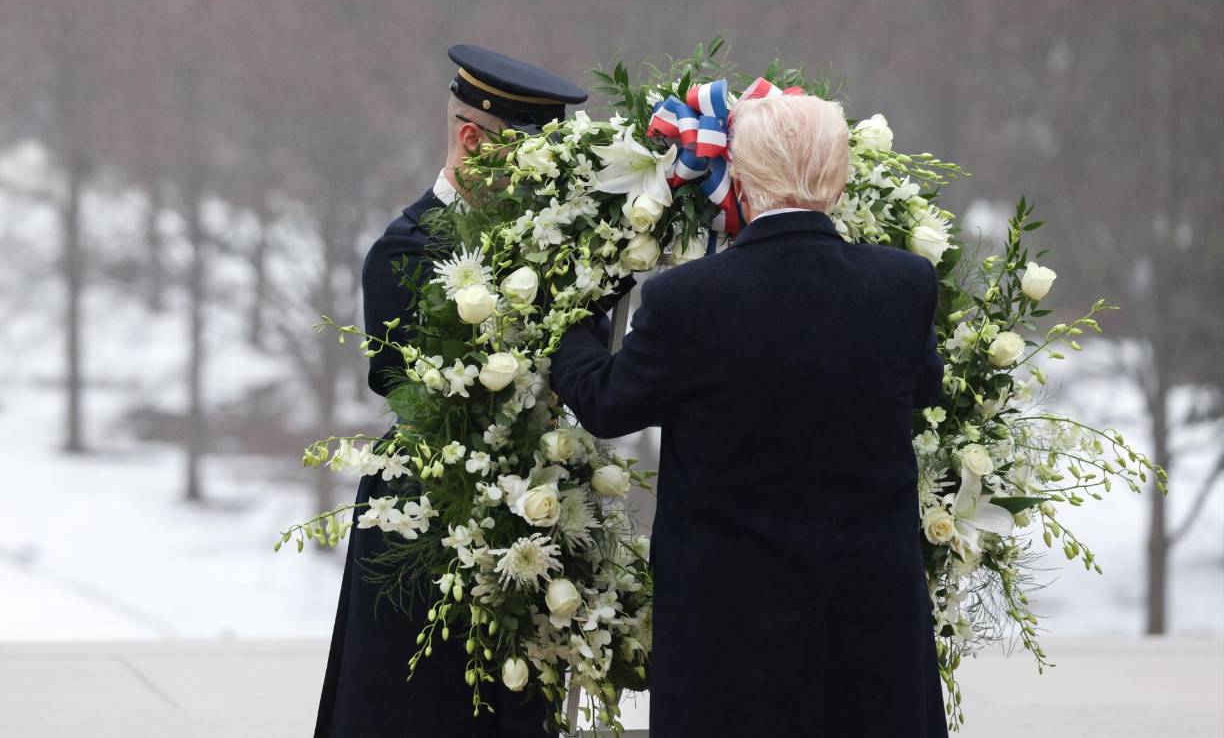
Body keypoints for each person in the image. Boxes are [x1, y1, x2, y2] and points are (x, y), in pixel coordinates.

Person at [549, 95, 948, 737]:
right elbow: (925, 389)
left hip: (728, 633)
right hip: (870, 621)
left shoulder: (688, 300)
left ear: (738, 176)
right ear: (840, 177)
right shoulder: (903, 285)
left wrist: (571, 322)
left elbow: (606, 401)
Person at [315, 44, 587, 738]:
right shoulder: (404, 251)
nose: (542, 181)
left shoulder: (543, 245)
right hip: (423, 529)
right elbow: (416, 393)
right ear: (473, 139)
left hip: (522, 525)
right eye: (530, 160)